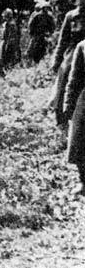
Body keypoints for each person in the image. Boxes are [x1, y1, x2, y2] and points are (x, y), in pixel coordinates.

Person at [52, 0, 85, 133]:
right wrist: (56, 60)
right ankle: (62, 121)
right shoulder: (71, 16)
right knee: (64, 84)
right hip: (71, 56)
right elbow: (63, 41)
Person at [63, 38, 85, 194]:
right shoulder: (82, 46)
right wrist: (68, 104)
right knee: (80, 140)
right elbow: (74, 79)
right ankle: (83, 181)